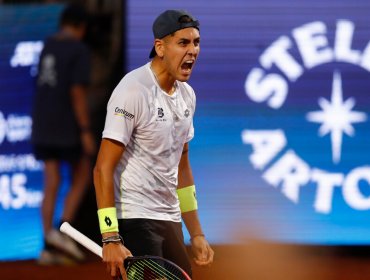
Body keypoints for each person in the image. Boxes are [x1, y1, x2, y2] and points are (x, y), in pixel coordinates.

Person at [93, 9, 214, 279]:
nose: (192, 50)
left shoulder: (187, 96)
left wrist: (196, 232)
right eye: (183, 43)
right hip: (134, 217)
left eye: (196, 42)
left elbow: (181, 168)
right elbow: (102, 168)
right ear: (160, 47)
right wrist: (110, 236)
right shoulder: (132, 90)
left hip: (169, 219)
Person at [31, 4, 95, 264]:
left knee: (51, 182)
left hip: (43, 125)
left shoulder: (48, 45)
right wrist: (85, 130)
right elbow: (77, 93)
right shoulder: (78, 49)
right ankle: (63, 231)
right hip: (66, 126)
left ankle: (47, 244)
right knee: (83, 172)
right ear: (81, 27)